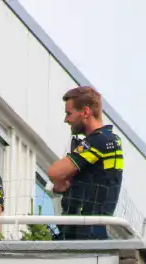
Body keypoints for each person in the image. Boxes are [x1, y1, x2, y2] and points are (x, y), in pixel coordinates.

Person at [46, 86, 124, 240]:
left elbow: (54, 172)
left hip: (86, 234)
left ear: (86, 112)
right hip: (88, 230)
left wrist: (62, 181)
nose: (66, 120)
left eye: (69, 113)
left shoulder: (99, 140)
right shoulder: (110, 139)